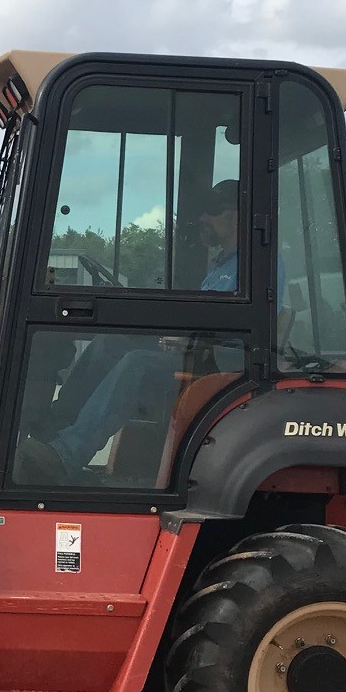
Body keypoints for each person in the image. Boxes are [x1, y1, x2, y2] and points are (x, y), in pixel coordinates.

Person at [44, 181, 260, 479]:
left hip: (222, 361)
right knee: (111, 342)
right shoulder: (221, 265)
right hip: (198, 349)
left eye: (212, 211)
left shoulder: (255, 265)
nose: (202, 219)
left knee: (138, 364)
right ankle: (54, 427)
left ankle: (68, 452)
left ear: (236, 216)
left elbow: (251, 323)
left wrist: (189, 339)